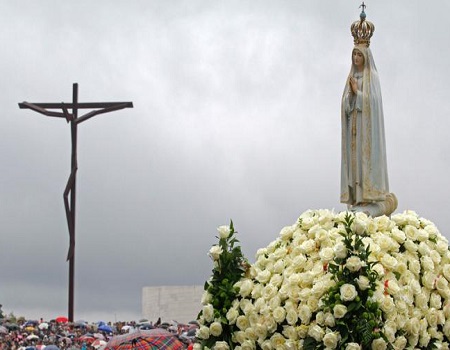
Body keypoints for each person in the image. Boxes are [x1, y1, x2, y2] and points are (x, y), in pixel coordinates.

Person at [340, 7, 397, 217]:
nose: (356, 58)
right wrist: (351, 96)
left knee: (365, 164)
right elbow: (345, 106)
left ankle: (369, 198)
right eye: (353, 54)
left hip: (367, 131)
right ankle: (357, 198)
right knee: (355, 165)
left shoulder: (372, 78)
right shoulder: (352, 77)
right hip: (354, 129)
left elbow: (373, 104)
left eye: (359, 54)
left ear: (365, 56)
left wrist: (359, 93)